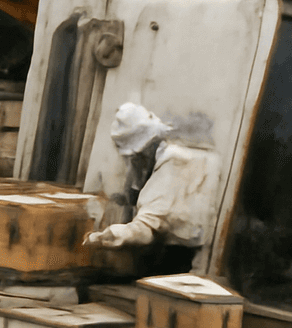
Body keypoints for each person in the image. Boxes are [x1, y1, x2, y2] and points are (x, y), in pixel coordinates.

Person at [85, 102, 220, 252]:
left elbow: (148, 226)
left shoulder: (175, 162)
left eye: (135, 156)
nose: (133, 162)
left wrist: (118, 234)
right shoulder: (182, 154)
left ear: (145, 147)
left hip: (186, 252)